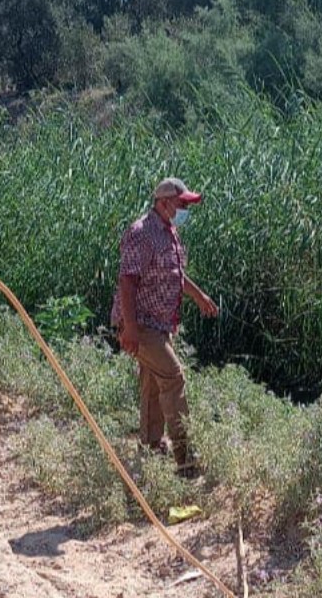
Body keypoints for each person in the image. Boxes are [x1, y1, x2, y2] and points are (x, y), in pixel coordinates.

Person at [110, 177, 218, 476]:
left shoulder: (169, 233)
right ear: (163, 202)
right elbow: (127, 281)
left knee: (153, 384)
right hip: (140, 324)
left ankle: (150, 449)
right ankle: (186, 458)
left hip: (158, 325)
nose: (185, 209)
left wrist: (200, 297)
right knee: (173, 377)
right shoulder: (141, 233)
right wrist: (129, 329)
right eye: (182, 204)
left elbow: (175, 274)